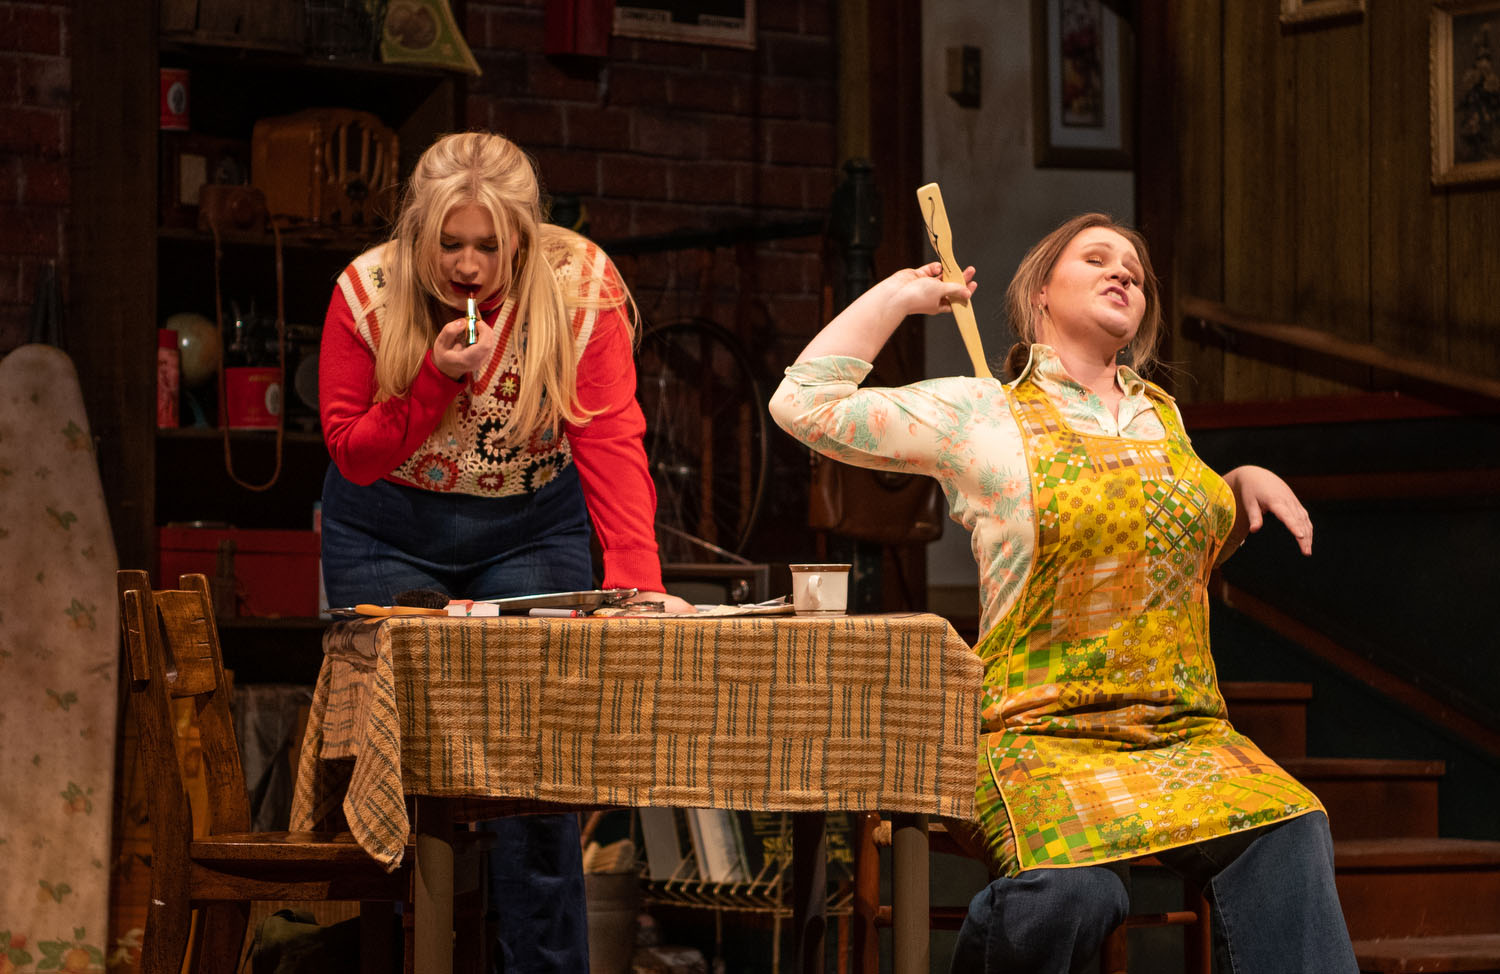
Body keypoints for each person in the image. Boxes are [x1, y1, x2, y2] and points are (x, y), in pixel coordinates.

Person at [769, 213, 1358, 974]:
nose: (1124, 274)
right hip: (1035, 736)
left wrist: (1235, 487)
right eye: (1097, 258)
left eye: (1137, 274)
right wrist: (896, 297)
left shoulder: (1161, 420)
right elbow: (804, 403)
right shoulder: (984, 414)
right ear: (1042, 292)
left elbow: (1165, 566)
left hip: (1181, 737)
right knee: (1075, 896)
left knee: (1291, 829)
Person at [318, 130, 692, 973]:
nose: (468, 265)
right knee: (396, 763)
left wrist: (636, 581)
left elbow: (611, 441)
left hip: (529, 526)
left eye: (490, 245)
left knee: (536, 764)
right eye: (449, 244)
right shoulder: (367, 294)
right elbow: (352, 451)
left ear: (525, 235)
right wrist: (435, 381)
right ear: (418, 233)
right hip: (386, 528)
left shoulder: (583, 288)